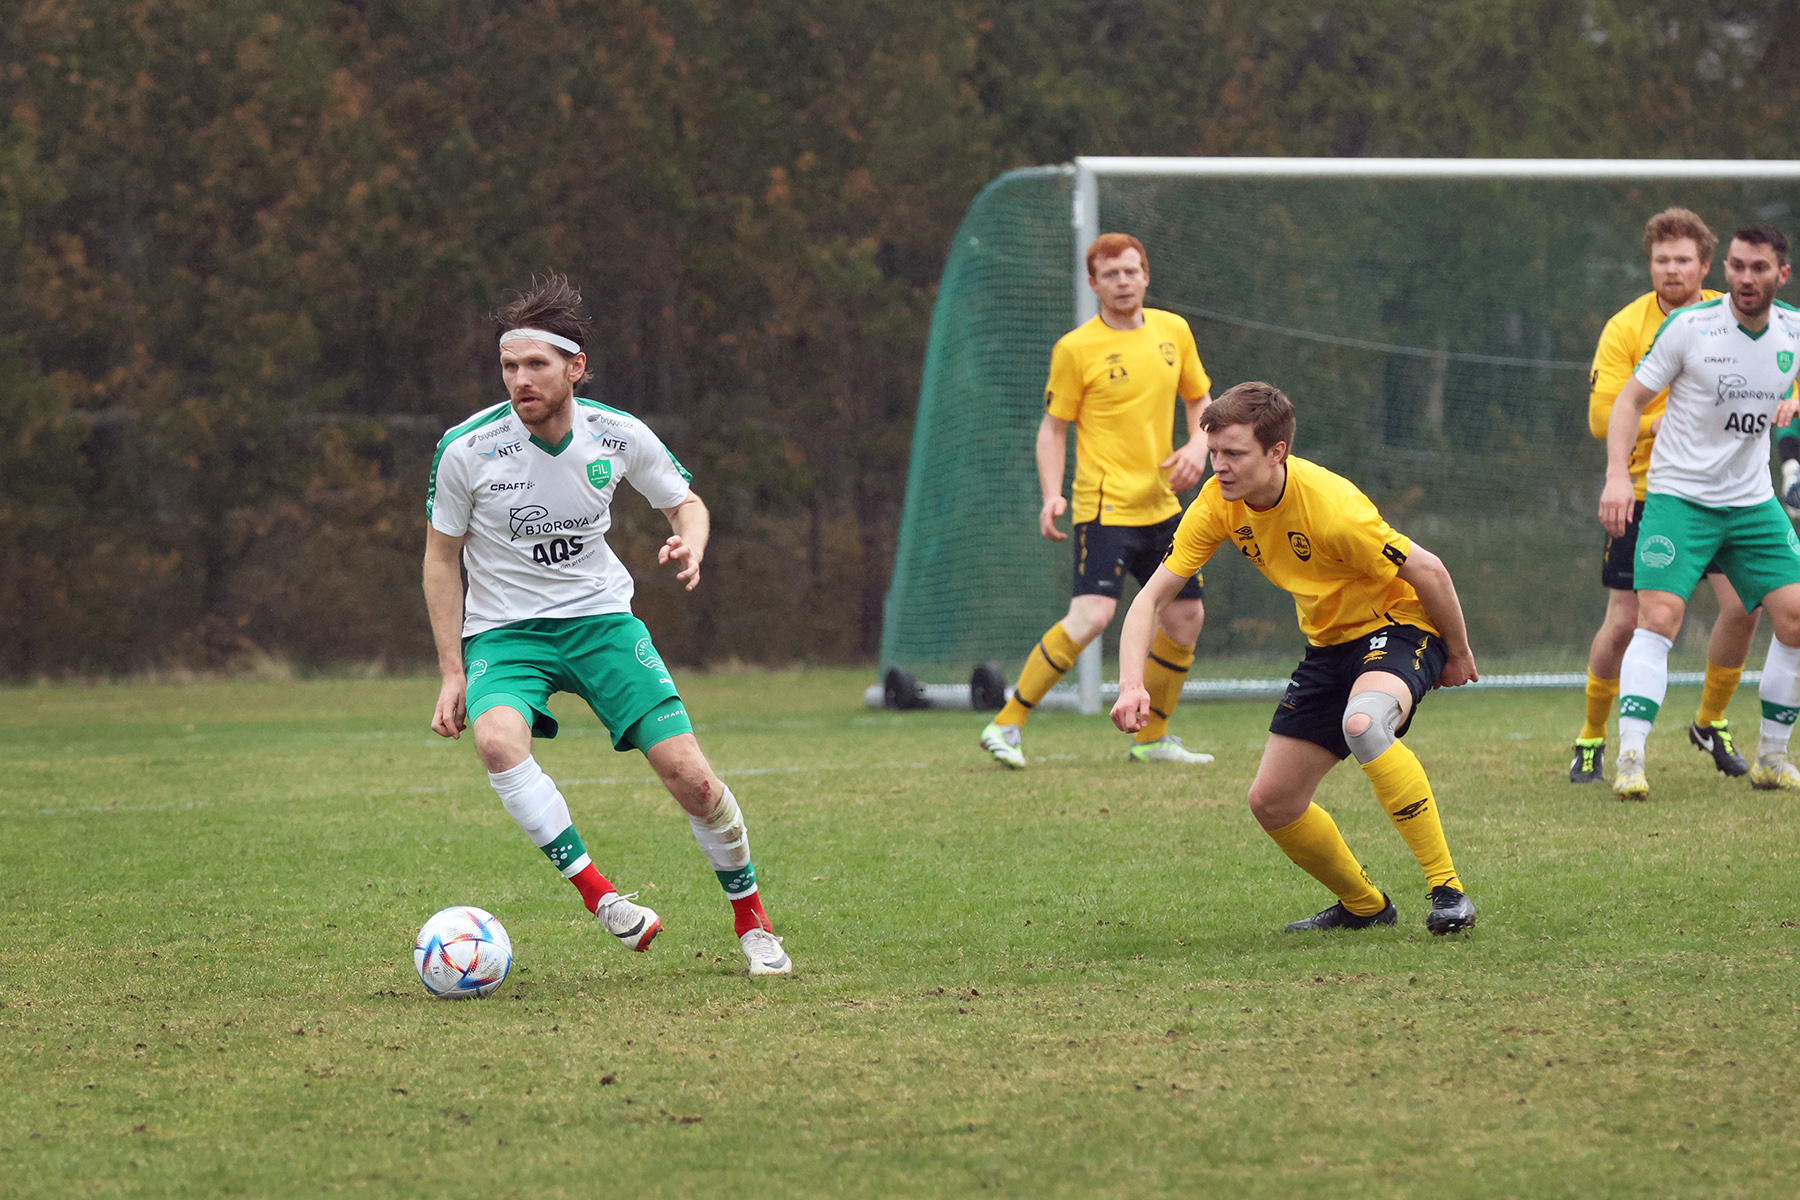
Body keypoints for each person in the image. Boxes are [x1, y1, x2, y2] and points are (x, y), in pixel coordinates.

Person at [422, 274, 792, 976]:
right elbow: (440, 561)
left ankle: (753, 920)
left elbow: (688, 504)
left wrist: (692, 541)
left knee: (693, 780)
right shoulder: (466, 449)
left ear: (575, 368)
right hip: (506, 633)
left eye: (536, 365)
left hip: (602, 624)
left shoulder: (617, 435)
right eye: (509, 366)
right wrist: (450, 669)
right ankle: (603, 900)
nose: (520, 381)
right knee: (497, 741)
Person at [1111, 382, 1478, 934]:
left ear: (1276, 452)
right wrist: (1129, 684)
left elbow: (1430, 571)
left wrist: (1458, 652)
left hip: (1398, 626)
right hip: (1329, 646)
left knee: (1363, 724)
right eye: (1214, 453)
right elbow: (1150, 600)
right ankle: (1365, 907)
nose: (1219, 467)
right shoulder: (1217, 503)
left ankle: (1448, 891)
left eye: (1234, 453)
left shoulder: (1333, 509)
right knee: (1272, 802)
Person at [979, 233, 1215, 769]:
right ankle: (1006, 725)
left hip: (1164, 504)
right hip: (1105, 507)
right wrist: (1050, 495)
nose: (1123, 282)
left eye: (1131, 271)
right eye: (1110, 275)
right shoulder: (1075, 348)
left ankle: (1152, 739)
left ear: (1146, 275)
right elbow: (1052, 430)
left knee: (1185, 617)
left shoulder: (1173, 331)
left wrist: (1197, 446)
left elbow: (1200, 399)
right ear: (1093, 284)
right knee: (1093, 614)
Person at [1600, 225, 1800, 799]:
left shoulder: (1790, 328)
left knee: (1793, 619)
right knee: (1657, 618)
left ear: (1780, 275)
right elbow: (1627, 403)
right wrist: (1617, 477)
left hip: (1751, 502)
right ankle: (1632, 758)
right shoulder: (1690, 328)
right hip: (1678, 499)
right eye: (1736, 266)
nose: (1744, 278)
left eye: (1758, 268)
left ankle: (1771, 757)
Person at [1572, 209, 1761, 785]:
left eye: (1683, 259)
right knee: (1627, 622)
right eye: (1661, 260)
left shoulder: (1731, 319)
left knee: (1744, 606)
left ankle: (1709, 721)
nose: (1671, 269)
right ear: (1649, 264)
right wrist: (1669, 424)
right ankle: (1591, 737)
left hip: (1724, 494)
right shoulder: (1626, 327)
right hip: (1648, 493)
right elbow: (1604, 417)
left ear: (1707, 266)